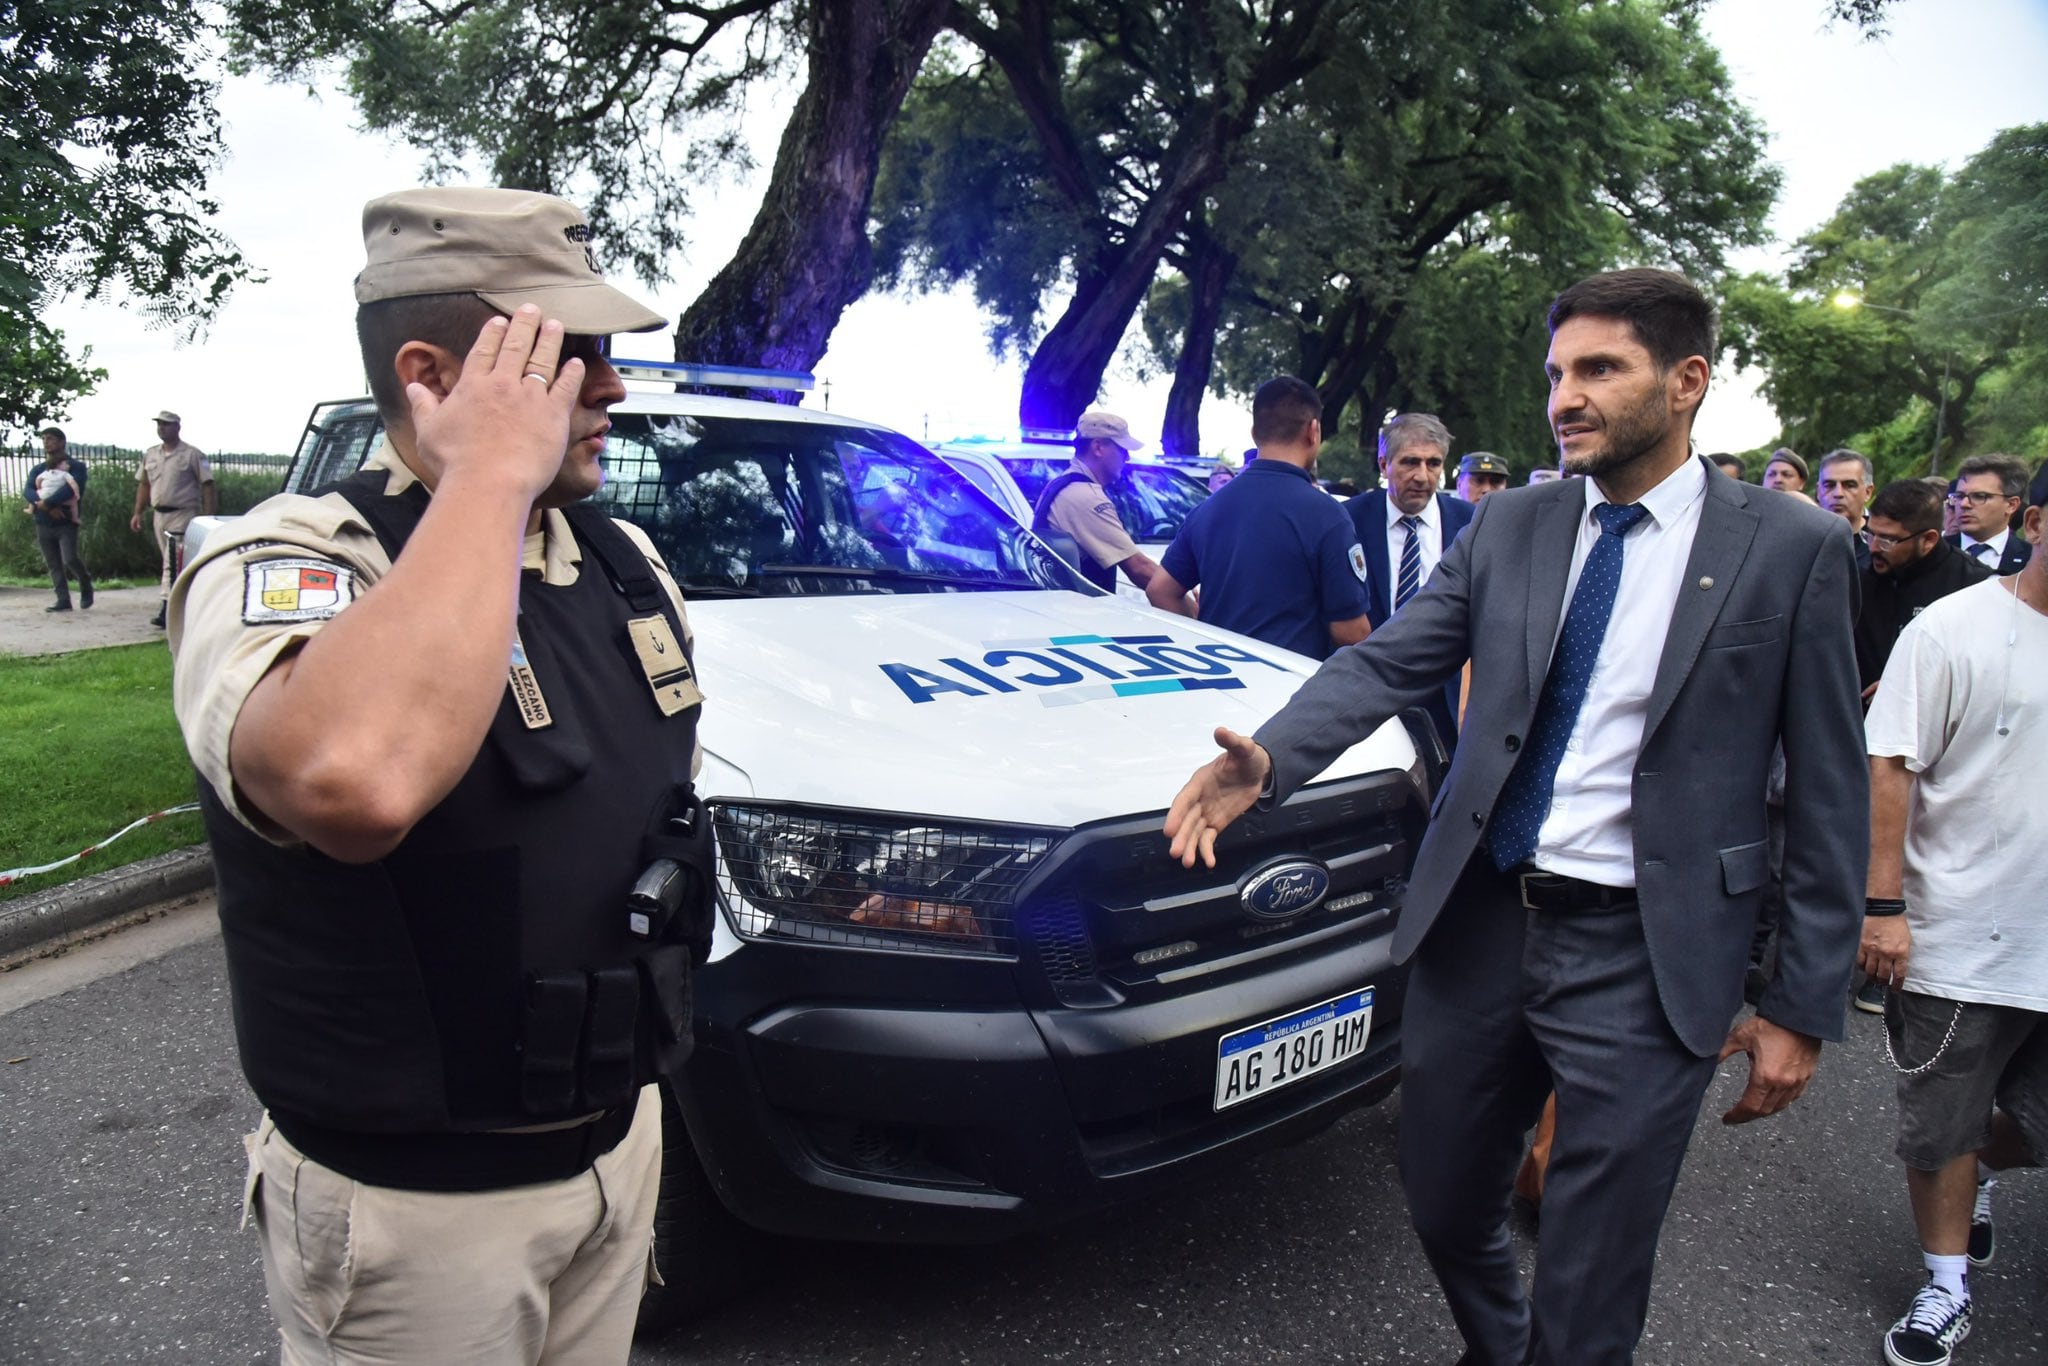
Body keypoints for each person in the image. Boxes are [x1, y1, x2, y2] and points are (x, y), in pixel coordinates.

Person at [1162, 268, 1865, 1366]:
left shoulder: (1789, 545)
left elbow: (1827, 778)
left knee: (1590, 1277)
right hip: (1482, 920)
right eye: (1554, 373)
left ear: (1685, 382)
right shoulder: (1511, 525)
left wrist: (1800, 1001)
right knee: (1443, 1202)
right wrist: (1275, 758)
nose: (1563, 397)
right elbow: (1391, 660)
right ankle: (1501, 1345)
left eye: (1597, 369)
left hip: (1649, 950)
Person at [168, 186, 707, 1366]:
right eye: (571, 357)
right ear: (431, 371)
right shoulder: (295, 555)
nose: (610, 388)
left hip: (618, 1151)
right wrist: (483, 480)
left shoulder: (618, 558)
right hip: (420, 1215)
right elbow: (354, 783)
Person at [1860, 476, 2045, 1366]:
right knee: (1941, 1123)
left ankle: (1973, 1178)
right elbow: (1889, 763)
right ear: (2036, 522)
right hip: (1962, 933)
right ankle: (1945, 1288)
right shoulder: (1953, 628)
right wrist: (1884, 906)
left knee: (2026, 1127)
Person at [1145, 376, 1371, 659]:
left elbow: (1160, 589)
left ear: (1255, 433)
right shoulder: (1328, 515)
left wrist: (1203, 631)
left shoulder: (1209, 508)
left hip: (1219, 683)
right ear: (1314, 431)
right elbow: (1350, 633)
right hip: (1292, 691)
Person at [1345, 412, 1472, 751]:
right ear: (1384, 463)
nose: (1422, 476)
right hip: (1368, 695)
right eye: (1410, 462)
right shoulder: (1349, 520)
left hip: (1445, 701)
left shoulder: (1469, 524)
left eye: (1433, 464)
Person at [1854, 480, 1992, 696]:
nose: (1873, 547)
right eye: (1870, 534)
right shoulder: (1860, 575)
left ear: (1928, 539)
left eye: (1888, 540)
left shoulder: (1974, 586)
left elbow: (1985, 670)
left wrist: (1907, 686)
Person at [1030, 409, 1163, 593]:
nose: (1127, 457)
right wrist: (1182, 596)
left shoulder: (1061, 484)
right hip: (1083, 615)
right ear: (1098, 447)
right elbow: (1139, 568)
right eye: (1122, 449)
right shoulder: (1086, 497)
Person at [131, 409, 215, 627]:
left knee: (172, 561)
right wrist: (138, 512)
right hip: (159, 514)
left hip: (183, 514)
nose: (162, 428)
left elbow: (207, 484)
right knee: (170, 562)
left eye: (166, 424)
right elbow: (144, 484)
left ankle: (167, 609)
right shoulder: (151, 454)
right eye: (159, 424)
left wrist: (207, 516)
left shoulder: (193, 455)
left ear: (177, 427)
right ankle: (182, 602)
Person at [24, 426, 94, 612]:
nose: (46, 442)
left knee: (69, 558)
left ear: (62, 441)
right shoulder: (39, 469)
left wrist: (50, 503)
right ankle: (63, 600)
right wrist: (42, 504)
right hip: (43, 521)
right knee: (53, 562)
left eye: (51, 438)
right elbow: (29, 490)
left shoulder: (76, 467)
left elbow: (73, 489)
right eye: (44, 439)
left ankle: (85, 582)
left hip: (66, 521)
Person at [1944, 453, 2033, 575]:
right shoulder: (1932, 554)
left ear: (2011, 505)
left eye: (1979, 496)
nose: (1964, 504)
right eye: (1959, 496)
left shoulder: (2032, 561)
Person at [1817, 447, 1874, 568]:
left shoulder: (1880, 544)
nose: (1838, 493)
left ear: (1868, 492)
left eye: (1849, 485)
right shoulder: (1804, 542)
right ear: (1818, 491)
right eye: (1829, 485)